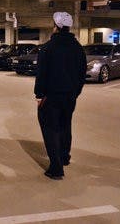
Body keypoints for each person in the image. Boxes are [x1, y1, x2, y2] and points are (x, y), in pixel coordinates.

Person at [34, 12, 87, 180]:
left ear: (55, 26)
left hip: (51, 96)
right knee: (65, 125)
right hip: (70, 96)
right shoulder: (78, 48)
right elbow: (82, 73)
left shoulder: (48, 47)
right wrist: (76, 92)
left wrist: (39, 94)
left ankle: (56, 168)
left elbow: (42, 74)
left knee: (51, 129)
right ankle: (64, 157)